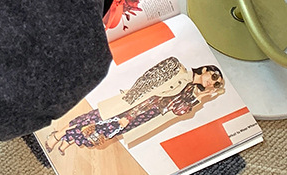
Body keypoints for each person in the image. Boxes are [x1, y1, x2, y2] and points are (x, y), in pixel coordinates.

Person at [44, 60, 225, 156]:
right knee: (94, 120)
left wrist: (200, 97)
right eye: (214, 76)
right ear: (205, 69)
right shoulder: (176, 66)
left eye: (216, 84)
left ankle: (68, 140)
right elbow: (146, 82)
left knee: (104, 132)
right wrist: (130, 113)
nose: (212, 82)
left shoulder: (191, 93)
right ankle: (57, 135)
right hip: (133, 106)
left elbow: (177, 111)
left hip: (146, 116)